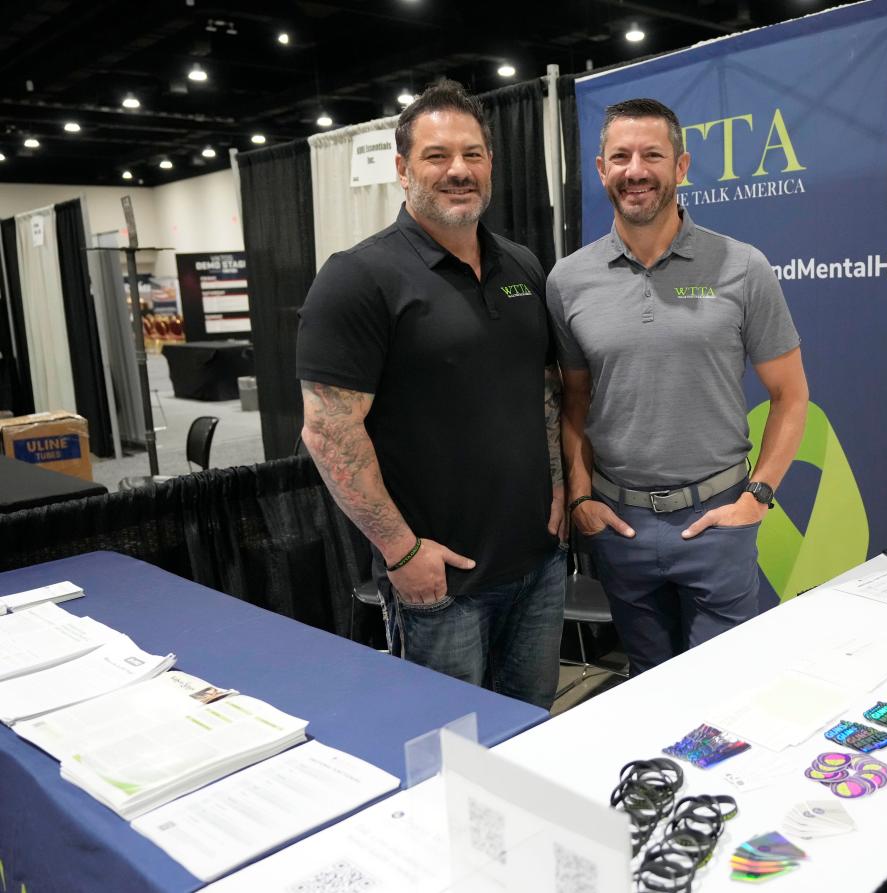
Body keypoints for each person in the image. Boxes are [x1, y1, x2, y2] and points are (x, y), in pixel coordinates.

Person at [297, 79, 566, 709]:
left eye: (472, 154)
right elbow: (328, 432)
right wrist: (401, 550)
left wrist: (555, 489)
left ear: (491, 165)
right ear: (402, 168)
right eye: (437, 155)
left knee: (531, 730)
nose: (459, 171)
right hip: (440, 580)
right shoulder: (358, 278)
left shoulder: (522, 266)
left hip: (537, 563)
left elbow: (543, 391)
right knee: (451, 752)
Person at [548, 97, 809, 675]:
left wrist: (757, 497)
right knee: (648, 687)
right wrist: (583, 497)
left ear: (681, 166)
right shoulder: (568, 280)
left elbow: (791, 397)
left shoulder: (743, 266)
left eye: (652, 155)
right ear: (601, 169)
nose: (635, 170)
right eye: (620, 156)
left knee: (724, 692)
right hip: (620, 529)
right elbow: (575, 402)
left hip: (717, 520)